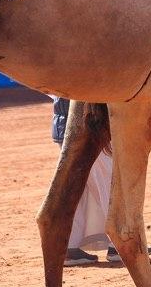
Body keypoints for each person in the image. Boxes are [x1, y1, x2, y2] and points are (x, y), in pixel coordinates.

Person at [51, 97, 120, 266]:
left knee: (77, 188)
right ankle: (121, 242)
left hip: (69, 127)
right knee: (112, 181)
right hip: (87, 128)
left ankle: (69, 247)